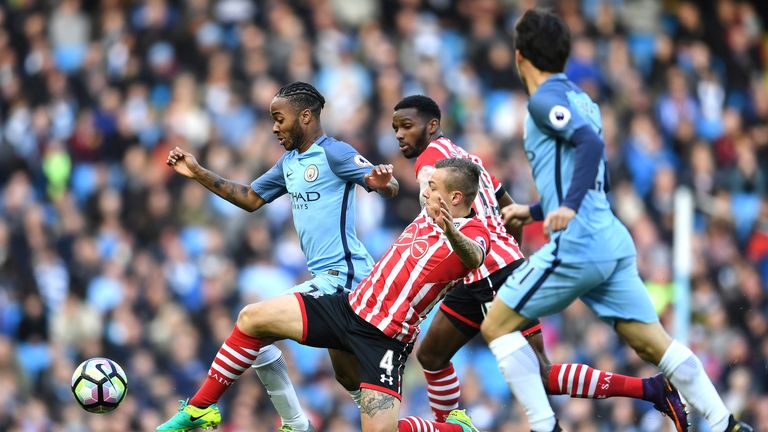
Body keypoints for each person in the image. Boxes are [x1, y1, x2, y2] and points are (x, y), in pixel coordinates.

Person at [479, 9, 753, 432]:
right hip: (609, 238)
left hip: (578, 243)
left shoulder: (543, 101)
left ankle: (544, 427)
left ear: (519, 57)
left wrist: (565, 207)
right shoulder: (584, 100)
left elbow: (585, 147)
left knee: (495, 325)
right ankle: (724, 423)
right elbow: (585, 171)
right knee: (652, 341)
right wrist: (534, 211)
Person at [391, 94, 688, 428]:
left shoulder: (430, 162)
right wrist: (508, 253)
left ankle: (652, 389)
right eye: (395, 128)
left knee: (541, 373)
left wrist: (500, 264)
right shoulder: (465, 158)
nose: (399, 135)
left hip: (492, 275)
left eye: (406, 126)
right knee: (431, 355)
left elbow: (431, 202)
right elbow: (510, 209)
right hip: (486, 272)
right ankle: (453, 425)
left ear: (431, 126)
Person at [157, 157, 496, 432]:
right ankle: (202, 408)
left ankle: (456, 429)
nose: (426, 192)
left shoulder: (475, 232)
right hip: (348, 308)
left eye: (434, 187)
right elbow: (413, 175)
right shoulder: (428, 209)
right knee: (252, 318)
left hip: (386, 340)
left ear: (455, 198)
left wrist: (450, 229)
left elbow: (474, 257)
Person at [157, 81, 399, 432]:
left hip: (348, 280)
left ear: (305, 116)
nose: (274, 127)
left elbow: (383, 183)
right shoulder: (289, 163)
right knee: (348, 381)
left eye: (279, 118)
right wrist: (197, 172)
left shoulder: (334, 153)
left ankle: (203, 408)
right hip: (327, 280)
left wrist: (381, 183)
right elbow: (250, 198)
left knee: (252, 319)